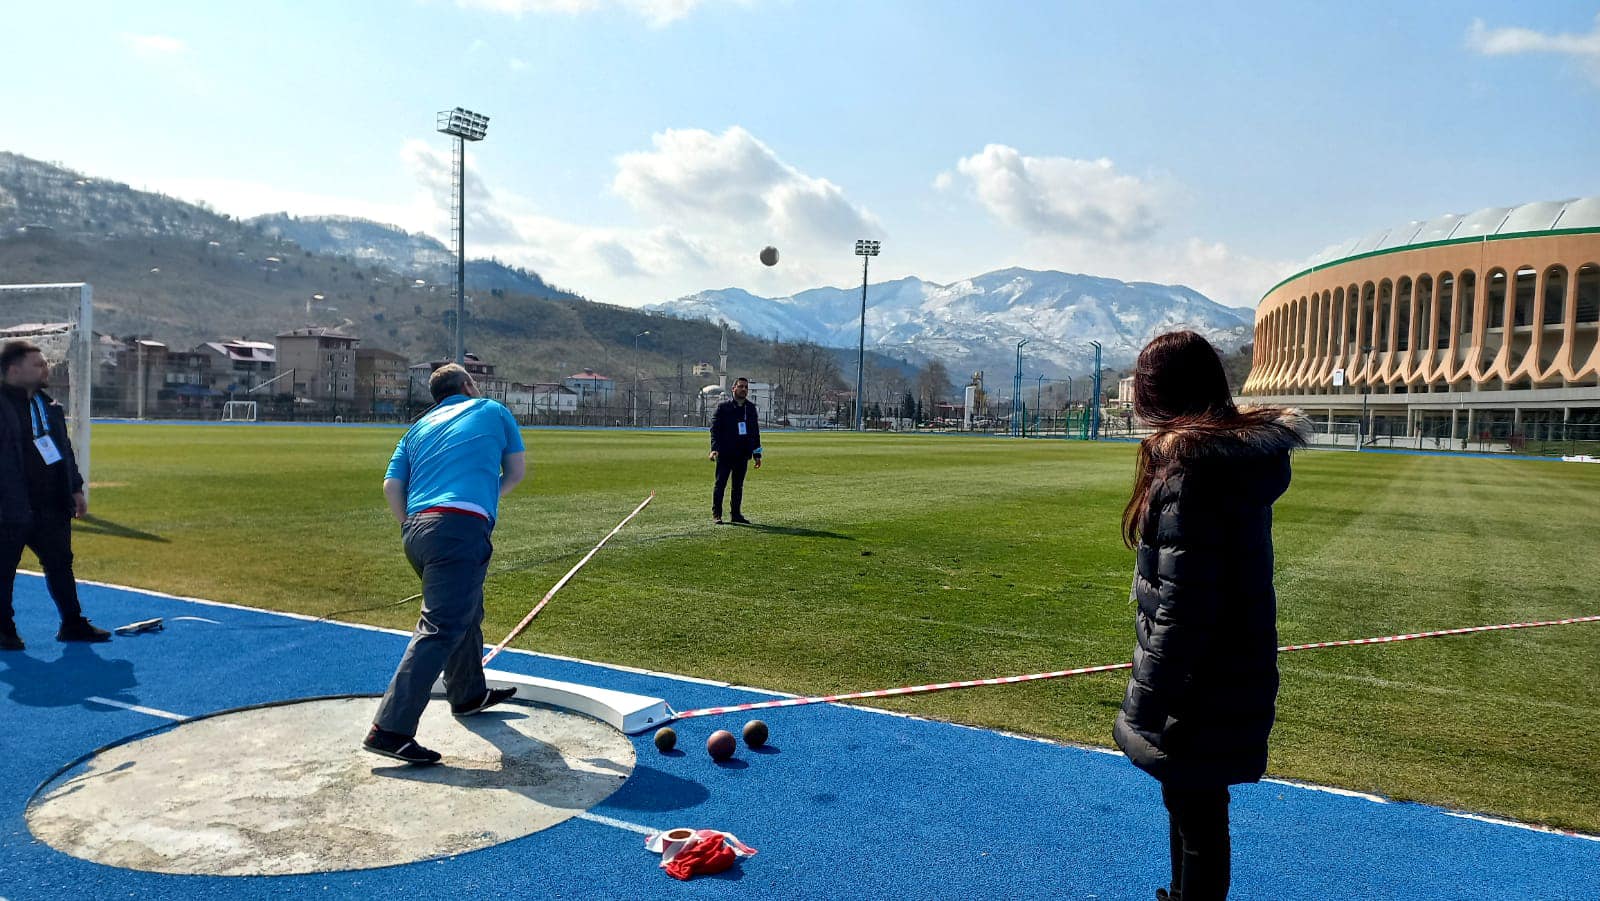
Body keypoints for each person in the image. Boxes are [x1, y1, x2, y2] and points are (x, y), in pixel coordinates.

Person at [1110, 331, 1308, 901]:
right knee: (1194, 802)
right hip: (1230, 666)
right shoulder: (1231, 464)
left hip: (1198, 680)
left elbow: (1181, 608)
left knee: (1196, 812)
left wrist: (1147, 699)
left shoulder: (1192, 474)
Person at [364, 363, 527, 765]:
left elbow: (391, 486)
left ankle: (468, 693)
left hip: (416, 530)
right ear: (468, 386)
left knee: (465, 611)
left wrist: (411, 525)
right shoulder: (491, 409)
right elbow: (516, 471)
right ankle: (390, 729)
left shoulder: (415, 429)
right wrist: (483, 502)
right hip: (460, 526)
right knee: (440, 627)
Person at [0, 341, 110, 651]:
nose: (45, 368)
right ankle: (3, 629)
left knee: (61, 564)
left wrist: (75, 488)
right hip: (9, 507)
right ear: (13, 370)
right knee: (3, 570)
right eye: (37, 364)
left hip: (50, 505)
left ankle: (72, 623)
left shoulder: (49, 407)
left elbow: (63, 452)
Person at [708, 377, 762, 525]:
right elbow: (715, 430)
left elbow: (755, 433)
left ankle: (736, 514)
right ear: (733, 389)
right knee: (720, 485)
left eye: (746, 387)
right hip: (725, 454)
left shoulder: (750, 408)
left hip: (742, 454)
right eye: (740, 386)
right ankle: (717, 514)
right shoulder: (723, 408)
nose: (743, 389)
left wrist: (757, 454)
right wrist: (714, 449)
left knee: (738, 486)